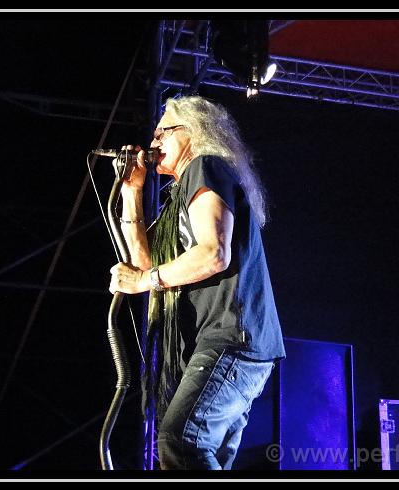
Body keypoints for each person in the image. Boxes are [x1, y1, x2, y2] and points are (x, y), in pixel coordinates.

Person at [108, 95, 285, 470]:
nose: (153, 142)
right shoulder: (177, 200)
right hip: (224, 341)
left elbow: (213, 253)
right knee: (201, 452)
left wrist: (143, 280)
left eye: (162, 132)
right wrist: (131, 191)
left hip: (232, 336)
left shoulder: (206, 166)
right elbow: (146, 265)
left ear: (193, 130)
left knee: (180, 440)